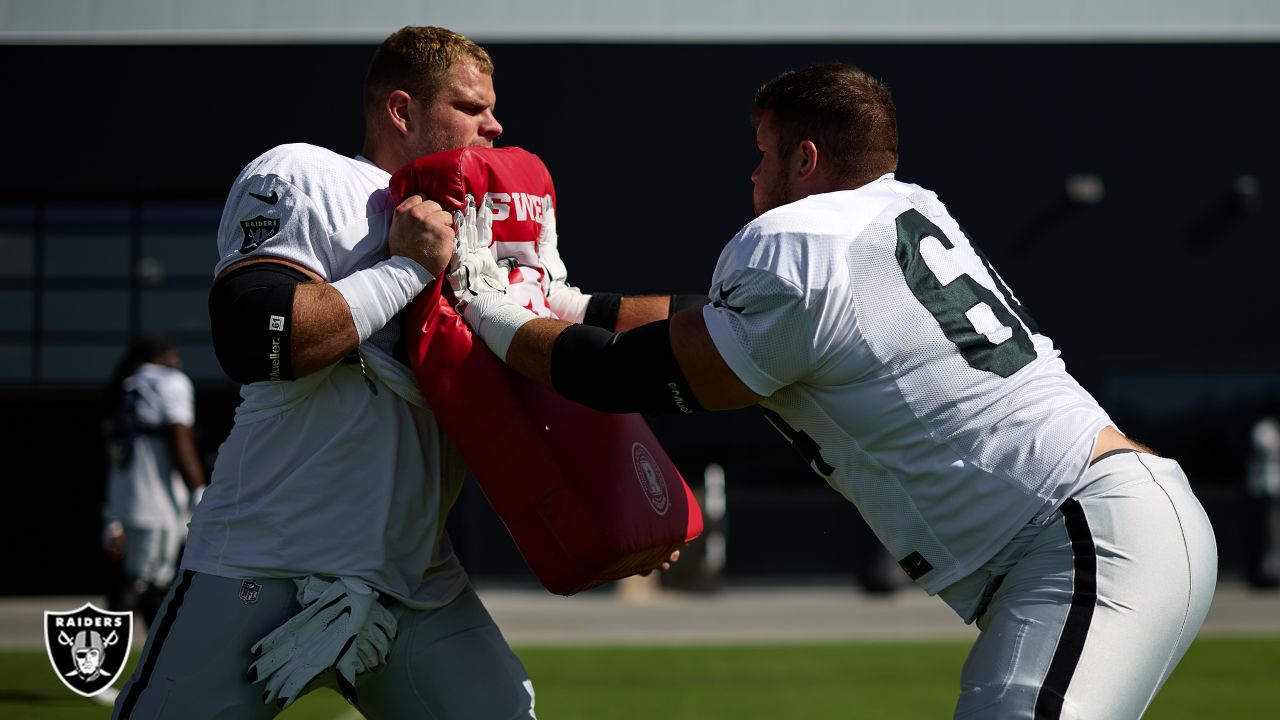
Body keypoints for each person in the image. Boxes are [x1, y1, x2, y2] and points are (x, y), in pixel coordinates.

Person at [449, 63, 1219, 718]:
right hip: (1110, 524)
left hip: (1083, 540)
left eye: (762, 154)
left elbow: (624, 375)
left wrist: (486, 306)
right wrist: (568, 305)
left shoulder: (794, 243)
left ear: (806, 160)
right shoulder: (902, 211)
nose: (752, 175)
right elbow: (711, 322)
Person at [113, 26, 578, 719]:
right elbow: (254, 336)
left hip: (412, 577)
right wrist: (407, 268)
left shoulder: (473, 224)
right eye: (471, 106)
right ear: (402, 110)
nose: (495, 124)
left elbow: (562, 332)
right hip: (266, 561)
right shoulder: (313, 177)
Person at [102, 334, 206, 630]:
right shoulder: (170, 382)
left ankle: (136, 644)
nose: (179, 361)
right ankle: (149, 649)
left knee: (137, 578)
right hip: (158, 500)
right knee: (151, 582)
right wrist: (198, 488)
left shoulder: (127, 384)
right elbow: (180, 438)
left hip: (122, 497)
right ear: (162, 355)